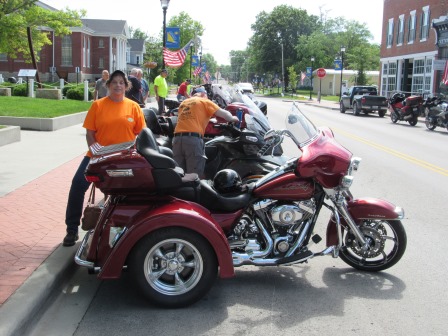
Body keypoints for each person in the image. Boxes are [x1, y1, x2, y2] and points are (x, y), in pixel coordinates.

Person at [62, 70, 146, 247]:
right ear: (108, 85)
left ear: (126, 86)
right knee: (78, 185)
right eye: (114, 82)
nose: (118, 85)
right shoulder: (98, 105)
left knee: (124, 193)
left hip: (123, 157)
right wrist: (95, 149)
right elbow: (90, 132)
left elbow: (141, 134)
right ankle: (72, 229)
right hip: (98, 155)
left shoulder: (133, 106)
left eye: (121, 82)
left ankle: (121, 232)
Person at [172, 86, 239, 177]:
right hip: (192, 140)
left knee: (179, 175)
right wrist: (234, 118)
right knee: (193, 176)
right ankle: (194, 190)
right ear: (203, 94)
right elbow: (225, 114)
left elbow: (192, 117)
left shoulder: (184, 103)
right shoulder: (204, 101)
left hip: (177, 139)